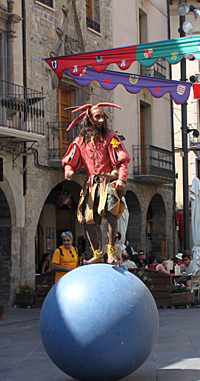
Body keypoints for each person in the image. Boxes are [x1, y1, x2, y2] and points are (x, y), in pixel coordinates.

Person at [62, 102, 130, 264]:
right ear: (89, 120)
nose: (101, 120)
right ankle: (97, 253)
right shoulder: (79, 142)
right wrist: (69, 171)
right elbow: (71, 161)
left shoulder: (112, 138)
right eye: (97, 117)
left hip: (108, 183)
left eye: (102, 117)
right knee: (87, 220)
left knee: (112, 215)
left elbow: (122, 160)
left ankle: (112, 251)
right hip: (91, 186)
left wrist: (121, 179)